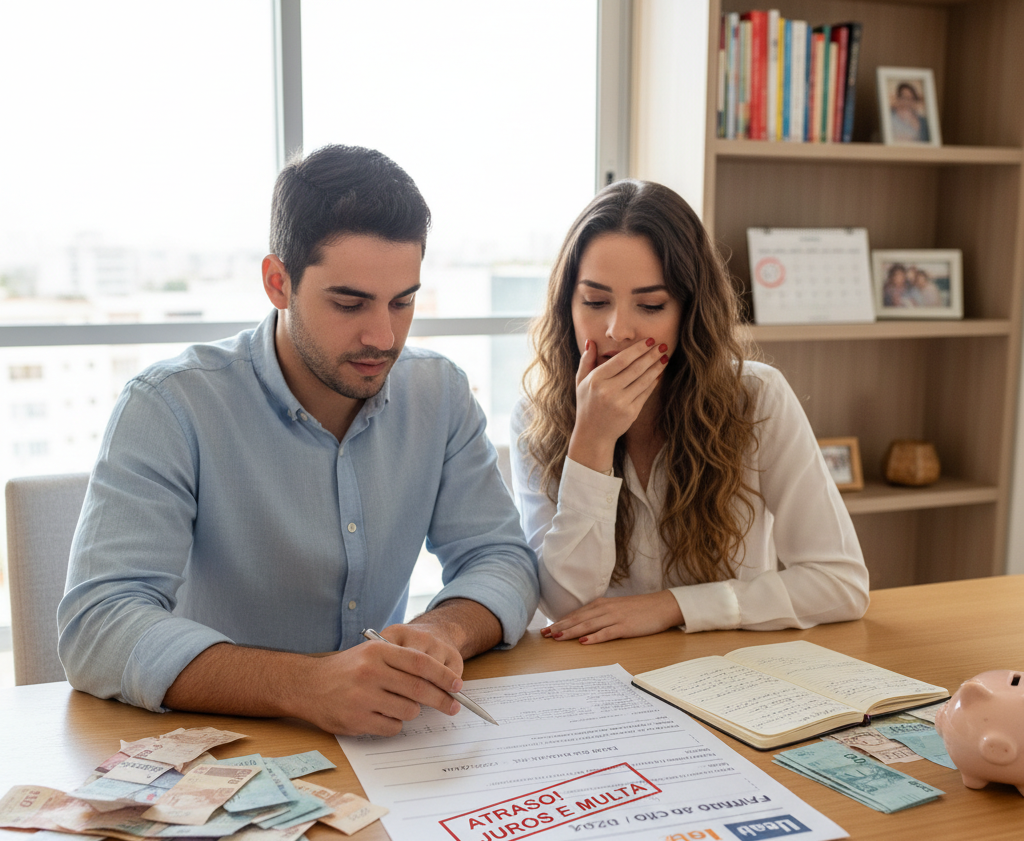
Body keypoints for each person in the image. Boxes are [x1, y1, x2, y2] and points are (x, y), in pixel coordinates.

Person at [58, 144, 538, 736]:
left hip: (388, 744)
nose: (383, 336)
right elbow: (98, 626)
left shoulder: (439, 394)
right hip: (227, 741)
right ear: (278, 282)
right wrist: (305, 685)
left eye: (403, 301)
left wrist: (446, 630)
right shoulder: (169, 405)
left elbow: (502, 558)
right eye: (349, 302)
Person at [510, 179, 868, 644]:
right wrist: (591, 444)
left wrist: (672, 607)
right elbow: (564, 606)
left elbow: (841, 584)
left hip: (724, 675)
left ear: (689, 311)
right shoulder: (535, 417)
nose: (618, 330)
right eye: (595, 302)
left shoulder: (755, 398)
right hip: (601, 685)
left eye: (651, 305)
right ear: (568, 306)